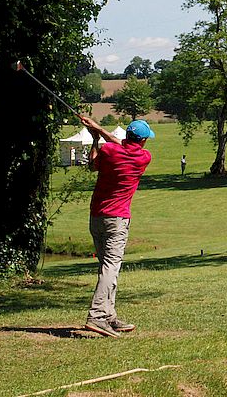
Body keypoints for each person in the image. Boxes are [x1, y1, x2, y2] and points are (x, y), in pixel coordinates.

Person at [80, 116, 154, 338]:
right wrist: (99, 130)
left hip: (97, 217)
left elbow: (94, 164)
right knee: (111, 267)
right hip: (117, 219)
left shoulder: (109, 151)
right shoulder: (143, 157)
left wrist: (95, 136)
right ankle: (96, 316)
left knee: (106, 267)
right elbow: (114, 141)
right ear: (142, 141)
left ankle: (109, 315)